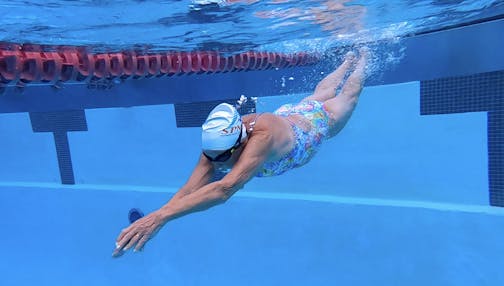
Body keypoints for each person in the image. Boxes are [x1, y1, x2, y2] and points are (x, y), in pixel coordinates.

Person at [112, 48, 368, 257]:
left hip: (315, 126)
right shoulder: (218, 144)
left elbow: (225, 189)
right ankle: (346, 61)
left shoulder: (262, 138)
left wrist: (162, 217)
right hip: (289, 115)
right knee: (318, 94)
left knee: (346, 98)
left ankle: (364, 58)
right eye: (212, 157)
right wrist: (153, 220)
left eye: (222, 158)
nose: (215, 163)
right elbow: (188, 190)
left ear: (240, 143)